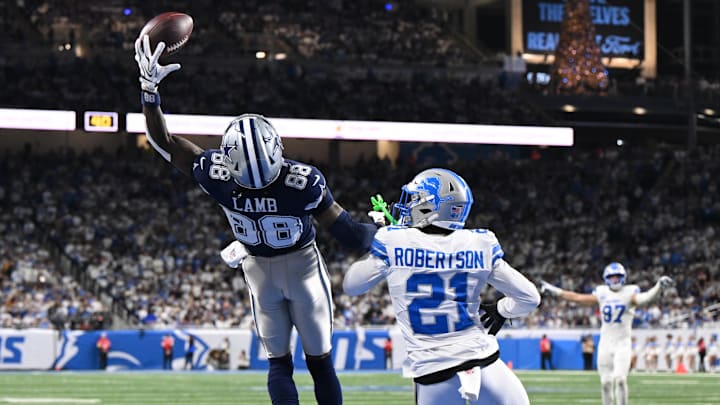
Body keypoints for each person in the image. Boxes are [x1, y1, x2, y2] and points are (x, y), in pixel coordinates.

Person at [134, 35, 377, 405]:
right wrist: (384, 232)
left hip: (259, 272)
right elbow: (349, 234)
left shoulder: (216, 174)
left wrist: (149, 92)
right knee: (321, 364)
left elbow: (163, 141)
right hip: (303, 269)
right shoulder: (302, 181)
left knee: (279, 366)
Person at [343, 168, 540, 405]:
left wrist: (377, 241)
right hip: (485, 362)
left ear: (431, 206)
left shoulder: (393, 240)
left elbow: (351, 285)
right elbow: (530, 298)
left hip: (433, 372)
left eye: (415, 199)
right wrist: (502, 309)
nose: (408, 206)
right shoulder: (480, 242)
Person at [542, 263, 673, 405]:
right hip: (605, 343)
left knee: (621, 379)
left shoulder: (630, 292)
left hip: (622, 343)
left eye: (618, 277)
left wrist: (658, 287)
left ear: (623, 278)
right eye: (612, 277)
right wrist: (556, 291)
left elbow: (645, 298)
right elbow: (578, 298)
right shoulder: (602, 293)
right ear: (606, 278)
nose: (615, 280)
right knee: (605, 382)